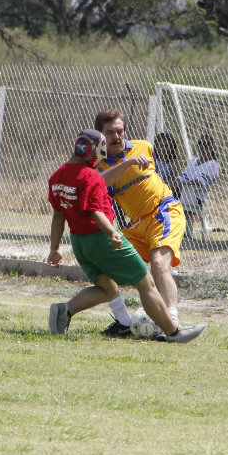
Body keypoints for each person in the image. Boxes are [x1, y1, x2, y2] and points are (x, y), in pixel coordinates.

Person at [46, 128, 206, 343]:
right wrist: (112, 232)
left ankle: (64, 311)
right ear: (94, 152)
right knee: (146, 283)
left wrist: (54, 248)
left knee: (106, 288)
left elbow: (58, 215)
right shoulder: (90, 177)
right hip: (99, 238)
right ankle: (174, 332)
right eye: (102, 150)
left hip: (79, 243)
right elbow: (95, 212)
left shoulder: (57, 176)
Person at [93, 109, 186, 332]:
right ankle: (124, 323)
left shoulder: (143, 146)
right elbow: (99, 184)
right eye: (109, 132)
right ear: (100, 137)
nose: (116, 136)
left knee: (159, 264)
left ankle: (172, 322)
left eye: (119, 131)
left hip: (163, 211)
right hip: (135, 225)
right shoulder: (99, 165)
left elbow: (167, 162)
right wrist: (127, 163)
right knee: (103, 263)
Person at [178, 134, 221, 239]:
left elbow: (200, 182)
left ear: (212, 147)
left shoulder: (214, 165)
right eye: (200, 144)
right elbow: (183, 176)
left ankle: (185, 234)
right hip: (183, 191)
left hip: (197, 197)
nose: (202, 147)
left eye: (206, 145)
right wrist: (174, 182)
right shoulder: (193, 161)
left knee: (181, 196)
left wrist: (183, 184)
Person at [153, 132, 181, 197]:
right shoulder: (152, 159)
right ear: (156, 146)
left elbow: (176, 181)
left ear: (171, 147)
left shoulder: (173, 162)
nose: (163, 149)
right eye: (161, 145)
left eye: (166, 146)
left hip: (167, 191)